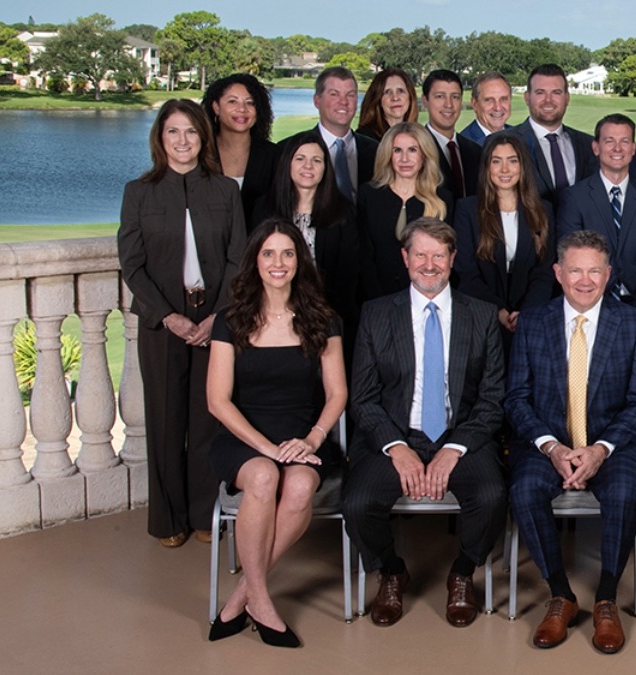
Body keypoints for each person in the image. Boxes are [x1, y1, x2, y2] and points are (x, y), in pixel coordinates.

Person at [343, 217, 508, 629]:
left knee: (491, 497)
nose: (429, 264)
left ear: (453, 259)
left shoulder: (482, 316)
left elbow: (492, 400)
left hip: (460, 436)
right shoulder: (377, 314)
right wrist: (397, 449)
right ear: (405, 258)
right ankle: (391, 571)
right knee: (357, 503)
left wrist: (453, 450)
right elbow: (362, 399)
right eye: (421, 254)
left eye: (439, 255)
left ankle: (463, 573)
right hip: (397, 436)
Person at [504, 230, 636, 654]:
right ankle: (561, 594)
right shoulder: (533, 322)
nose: (584, 281)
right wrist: (552, 447)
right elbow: (516, 399)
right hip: (547, 442)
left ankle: (606, 597)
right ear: (558, 272)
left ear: (608, 275)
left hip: (612, 444)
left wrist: (599, 449)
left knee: (625, 492)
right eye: (574, 270)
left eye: (593, 271)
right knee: (525, 489)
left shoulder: (635, 323)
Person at [204, 220, 347, 648]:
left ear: (300, 261)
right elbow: (218, 401)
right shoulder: (229, 322)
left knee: (301, 484)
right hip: (244, 438)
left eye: (287, 253)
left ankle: (242, 595)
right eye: (269, 254)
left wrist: (313, 439)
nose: (278, 263)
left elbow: (338, 393)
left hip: (303, 435)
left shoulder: (324, 320)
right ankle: (262, 602)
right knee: (264, 477)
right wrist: (266, 448)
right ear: (255, 262)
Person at [118, 99, 246, 547]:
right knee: (166, 421)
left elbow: (238, 258)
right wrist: (168, 316)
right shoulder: (140, 192)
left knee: (208, 419)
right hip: (162, 323)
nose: (183, 141)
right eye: (173, 132)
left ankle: (202, 514)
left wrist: (216, 317)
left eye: (191, 132)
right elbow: (132, 266)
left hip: (214, 320)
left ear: (202, 138)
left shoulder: (226, 190)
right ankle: (167, 521)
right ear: (160, 138)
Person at [253, 131, 359, 358]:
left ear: (325, 168)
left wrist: (318, 315)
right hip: (271, 317)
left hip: (327, 317)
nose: (308, 166)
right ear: (287, 164)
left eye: (316, 160)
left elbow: (348, 276)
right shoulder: (264, 209)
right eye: (300, 159)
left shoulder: (344, 212)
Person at [556, 113, 636, 318]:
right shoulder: (574, 198)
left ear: (633, 148)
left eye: (624, 141)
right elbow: (570, 259)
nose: (617, 148)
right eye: (609, 141)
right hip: (588, 301)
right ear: (596, 148)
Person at [453, 133, 555, 341]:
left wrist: (526, 311)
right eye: (496, 161)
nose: (505, 170)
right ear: (487, 167)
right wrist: (498, 310)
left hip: (529, 317)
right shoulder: (467, 210)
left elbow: (545, 271)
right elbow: (466, 272)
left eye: (512, 161)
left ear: (522, 166)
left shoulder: (543, 210)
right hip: (481, 318)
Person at [357, 121, 455, 301]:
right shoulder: (368, 195)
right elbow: (363, 255)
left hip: (426, 298)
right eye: (397, 150)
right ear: (388, 155)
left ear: (424, 155)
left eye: (412, 150)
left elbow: (447, 259)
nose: (404, 159)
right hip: (375, 298)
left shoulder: (442, 199)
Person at [510, 64, 597, 209]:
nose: (548, 100)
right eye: (540, 93)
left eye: (556, 92)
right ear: (527, 98)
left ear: (567, 98)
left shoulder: (588, 145)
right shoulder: (506, 143)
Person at [288, 66, 378, 204]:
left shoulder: (376, 151)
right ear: (317, 101)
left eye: (350, 95)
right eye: (334, 94)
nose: (343, 102)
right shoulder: (289, 150)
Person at [202, 73, 279, 229]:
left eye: (250, 103)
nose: (242, 109)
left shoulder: (274, 155)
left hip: (259, 247)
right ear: (216, 107)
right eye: (232, 101)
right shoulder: (200, 153)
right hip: (208, 248)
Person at [422, 69, 482, 200]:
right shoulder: (416, 149)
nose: (448, 104)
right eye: (440, 96)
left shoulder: (476, 151)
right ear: (425, 101)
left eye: (455, 97)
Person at [357, 68, 419, 142]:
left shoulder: (419, 135)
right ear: (378, 99)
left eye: (400, 91)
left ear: (410, 96)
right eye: (387, 92)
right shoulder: (366, 138)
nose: (395, 98)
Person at [462, 71, 513, 144]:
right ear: (474, 104)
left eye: (503, 99)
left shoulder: (521, 138)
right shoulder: (462, 146)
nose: (498, 108)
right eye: (489, 100)